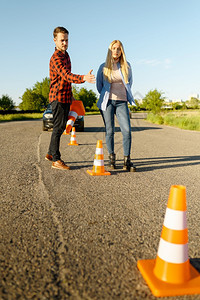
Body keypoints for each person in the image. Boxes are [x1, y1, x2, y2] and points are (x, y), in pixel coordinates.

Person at [45, 27, 95, 170]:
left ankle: (50, 153)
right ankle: (56, 159)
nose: (65, 43)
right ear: (55, 40)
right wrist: (83, 78)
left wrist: (72, 95)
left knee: (60, 127)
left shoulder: (66, 55)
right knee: (58, 127)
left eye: (67, 40)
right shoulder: (56, 58)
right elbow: (66, 75)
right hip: (58, 97)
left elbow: (66, 79)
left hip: (66, 97)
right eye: (62, 40)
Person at [96, 40, 136, 172]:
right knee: (110, 130)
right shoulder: (103, 66)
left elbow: (130, 83)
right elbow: (99, 85)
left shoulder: (126, 66)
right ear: (110, 50)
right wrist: (106, 96)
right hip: (107, 102)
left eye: (118, 49)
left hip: (122, 102)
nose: (116, 51)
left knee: (127, 130)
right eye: (113, 48)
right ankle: (111, 159)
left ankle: (127, 160)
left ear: (121, 51)